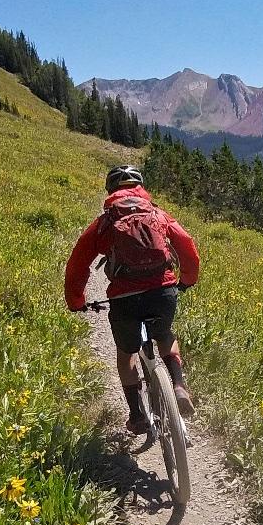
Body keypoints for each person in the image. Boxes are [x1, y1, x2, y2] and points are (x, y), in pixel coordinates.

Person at [65, 165, 201, 435]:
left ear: (111, 191)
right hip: (161, 292)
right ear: (140, 188)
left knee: (126, 354)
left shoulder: (104, 222)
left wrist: (76, 301)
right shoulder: (157, 214)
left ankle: (137, 416)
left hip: (124, 300)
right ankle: (178, 384)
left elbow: (77, 265)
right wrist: (186, 279)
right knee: (164, 335)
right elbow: (186, 245)